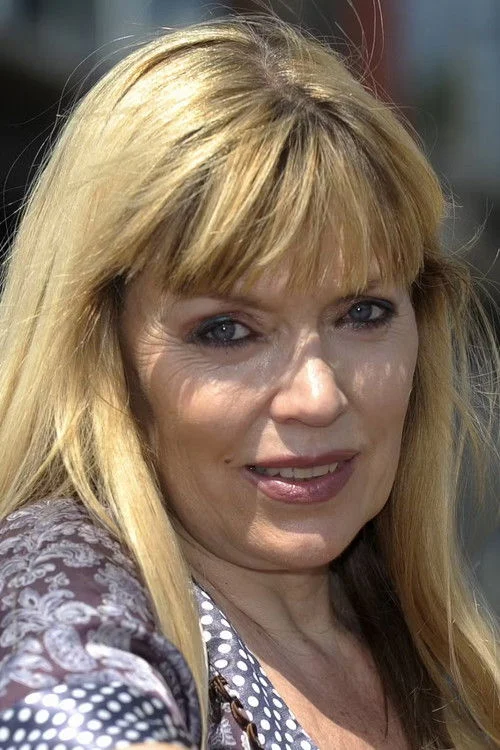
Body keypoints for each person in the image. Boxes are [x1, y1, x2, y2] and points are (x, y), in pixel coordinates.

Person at [0, 15, 498, 750]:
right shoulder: (55, 589)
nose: (318, 397)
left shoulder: (428, 646)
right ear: (102, 351)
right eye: (227, 331)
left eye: (362, 313)